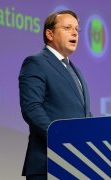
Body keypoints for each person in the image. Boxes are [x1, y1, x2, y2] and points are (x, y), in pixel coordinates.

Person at [19, 10, 92, 179]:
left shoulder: (76, 71)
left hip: (78, 164)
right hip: (48, 163)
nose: (74, 33)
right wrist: (61, 139)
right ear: (49, 34)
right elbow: (32, 109)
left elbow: (82, 113)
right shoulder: (36, 63)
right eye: (67, 27)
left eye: (77, 29)